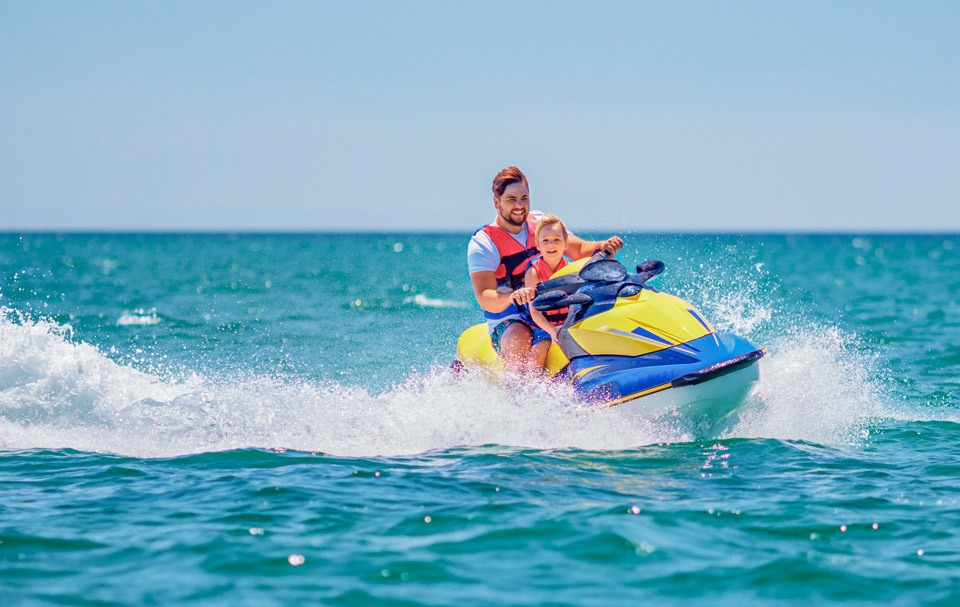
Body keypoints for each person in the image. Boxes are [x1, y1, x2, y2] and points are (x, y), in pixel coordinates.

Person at [467, 166, 622, 375]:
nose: (520, 205)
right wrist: (513, 296)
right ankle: (515, 393)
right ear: (497, 202)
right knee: (519, 339)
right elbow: (485, 297)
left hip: (551, 310)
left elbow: (578, 249)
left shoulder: (541, 224)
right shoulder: (484, 243)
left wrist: (603, 246)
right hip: (511, 319)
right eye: (512, 199)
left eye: (524, 198)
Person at [523, 214, 572, 352]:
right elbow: (534, 312)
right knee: (541, 347)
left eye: (557, 239)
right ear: (538, 245)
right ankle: (532, 367)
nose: (551, 244)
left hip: (566, 323)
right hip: (542, 325)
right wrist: (552, 331)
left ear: (566, 243)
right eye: (545, 240)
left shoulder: (571, 270)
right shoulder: (533, 273)